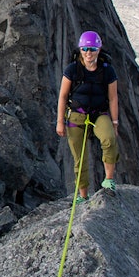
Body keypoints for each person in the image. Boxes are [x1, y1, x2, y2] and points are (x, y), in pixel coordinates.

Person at [56, 30, 120, 203]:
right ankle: (83, 196)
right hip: (76, 116)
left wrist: (114, 122)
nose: (88, 53)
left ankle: (108, 180)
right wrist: (60, 122)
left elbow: (113, 98)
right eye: (85, 49)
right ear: (80, 50)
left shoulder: (107, 71)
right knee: (79, 159)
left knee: (109, 139)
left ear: (98, 49)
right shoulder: (72, 69)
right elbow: (63, 96)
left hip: (99, 114)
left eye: (92, 49)